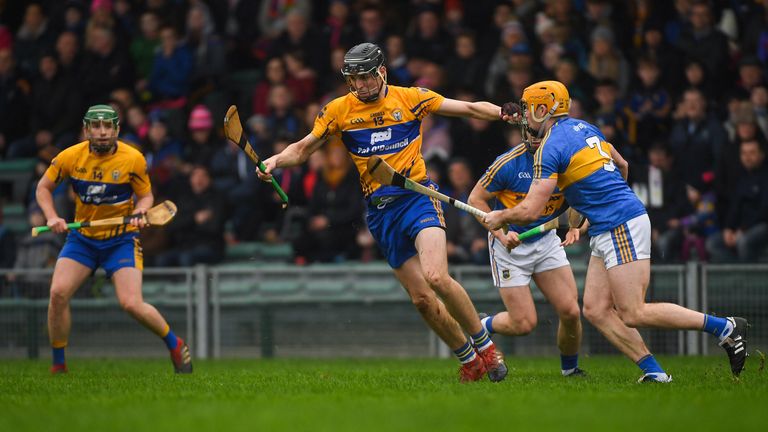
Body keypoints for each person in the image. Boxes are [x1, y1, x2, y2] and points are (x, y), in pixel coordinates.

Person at [258, 43, 508, 382]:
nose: (360, 85)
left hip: (418, 198)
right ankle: (468, 359)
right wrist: (274, 161)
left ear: (382, 73)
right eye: (354, 79)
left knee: (436, 276)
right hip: (380, 212)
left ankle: (487, 348)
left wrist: (506, 113)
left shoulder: (410, 98)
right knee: (421, 299)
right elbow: (302, 149)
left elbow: (467, 108)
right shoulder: (338, 111)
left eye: (366, 77)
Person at [484, 81, 749, 381]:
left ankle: (723, 327)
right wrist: (591, 213)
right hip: (609, 223)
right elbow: (621, 164)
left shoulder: (549, 148)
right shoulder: (585, 129)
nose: (524, 117)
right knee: (595, 309)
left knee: (633, 312)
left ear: (542, 109)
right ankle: (655, 373)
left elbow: (531, 210)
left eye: (527, 109)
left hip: (619, 223)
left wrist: (500, 217)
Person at [35, 104, 192, 374]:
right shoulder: (70, 157)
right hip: (82, 240)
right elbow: (43, 188)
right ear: (87, 130)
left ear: (117, 129)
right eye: (96, 126)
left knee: (130, 302)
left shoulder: (133, 159)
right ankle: (59, 364)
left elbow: (146, 196)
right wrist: (51, 217)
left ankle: (175, 344)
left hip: (121, 239)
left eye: (108, 126)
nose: (103, 132)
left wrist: (141, 210)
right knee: (58, 294)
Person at [468, 140, 585, 377]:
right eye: (529, 128)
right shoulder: (508, 164)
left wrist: (574, 225)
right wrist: (501, 236)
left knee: (571, 311)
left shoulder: (566, 159)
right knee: (524, 324)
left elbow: (578, 196)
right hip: (510, 249)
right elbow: (475, 200)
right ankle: (481, 327)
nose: (534, 136)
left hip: (546, 240)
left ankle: (570, 371)